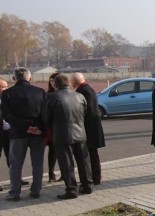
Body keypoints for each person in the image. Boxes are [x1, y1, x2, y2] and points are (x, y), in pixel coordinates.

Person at [43, 74, 93, 199]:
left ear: (55, 84)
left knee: (66, 164)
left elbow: (46, 118)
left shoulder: (52, 98)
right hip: (80, 132)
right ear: (69, 83)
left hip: (62, 134)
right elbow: (85, 113)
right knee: (83, 161)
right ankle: (87, 185)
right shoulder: (79, 96)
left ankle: (71, 189)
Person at [1, 68, 46, 201]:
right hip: (38, 133)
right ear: (30, 78)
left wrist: (25, 127)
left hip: (18, 133)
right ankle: (36, 190)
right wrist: (37, 128)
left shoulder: (8, 93)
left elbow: (6, 115)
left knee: (15, 164)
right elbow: (45, 114)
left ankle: (15, 192)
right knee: (37, 162)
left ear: (14, 79)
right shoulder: (40, 92)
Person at [71, 73, 106, 184]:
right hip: (93, 126)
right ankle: (95, 177)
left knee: (91, 154)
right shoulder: (88, 89)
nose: (71, 84)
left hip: (89, 127)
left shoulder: (83, 91)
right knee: (92, 153)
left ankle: (95, 177)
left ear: (76, 82)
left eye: (72, 82)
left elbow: (87, 111)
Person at [44, 72, 62, 182]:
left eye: (54, 80)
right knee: (53, 151)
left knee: (63, 152)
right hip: (51, 128)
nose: (52, 82)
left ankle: (64, 173)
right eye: (50, 80)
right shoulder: (48, 95)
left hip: (61, 127)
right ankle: (51, 173)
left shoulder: (64, 93)